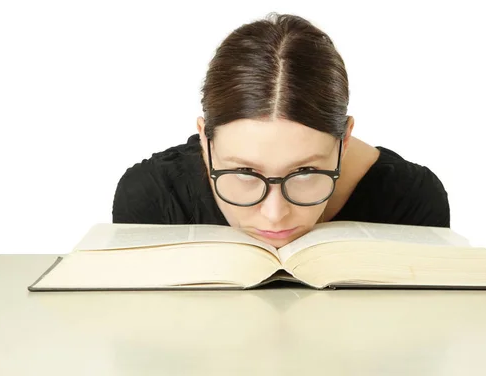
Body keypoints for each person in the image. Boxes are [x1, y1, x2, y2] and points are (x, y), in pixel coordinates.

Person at [112, 13, 450, 248]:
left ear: (343, 142)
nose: (275, 216)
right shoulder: (152, 198)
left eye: (305, 171)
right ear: (205, 139)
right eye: (244, 172)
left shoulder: (412, 202)